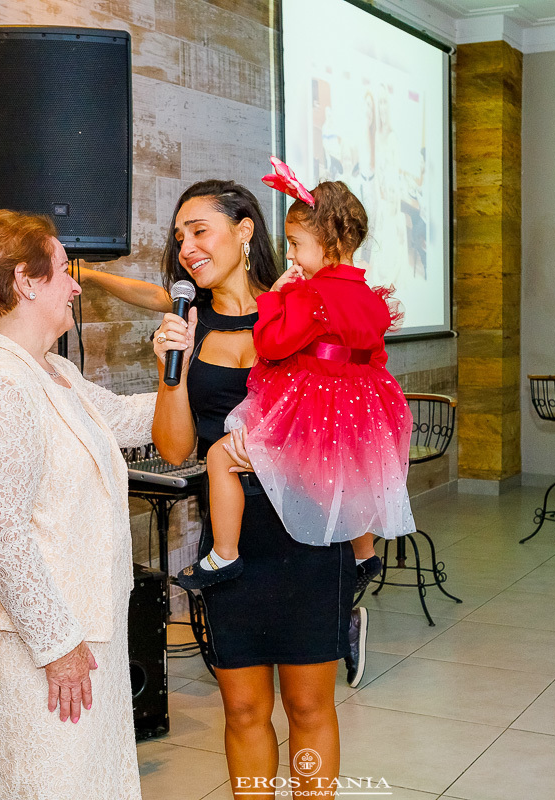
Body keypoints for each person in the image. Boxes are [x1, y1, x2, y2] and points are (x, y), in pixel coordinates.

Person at [0, 210, 155, 800]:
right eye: (63, 269)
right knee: (44, 784)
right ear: (25, 281)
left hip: (81, 626)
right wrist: (57, 645)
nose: (76, 285)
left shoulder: (49, 368)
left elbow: (124, 420)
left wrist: (195, 380)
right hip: (31, 646)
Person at [151, 179, 353, 798]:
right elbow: (175, 450)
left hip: (308, 533)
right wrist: (170, 371)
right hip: (231, 545)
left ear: (244, 231)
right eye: (179, 237)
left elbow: (344, 421)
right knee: (242, 710)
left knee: (308, 707)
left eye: (199, 230)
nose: (186, 247)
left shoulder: (300, 305)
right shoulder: (189, 326)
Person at [174, 159, 413, 595]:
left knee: (221, 457)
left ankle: (224, 553)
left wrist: (274, 299)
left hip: (310, 409)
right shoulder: (370, 298)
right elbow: (375, 358)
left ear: (328, 243)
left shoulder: (309, 294)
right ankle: (364, 554)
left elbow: (271, 345)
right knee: (353, 475)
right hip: (361, 411)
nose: (289, 254)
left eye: (296, 244)